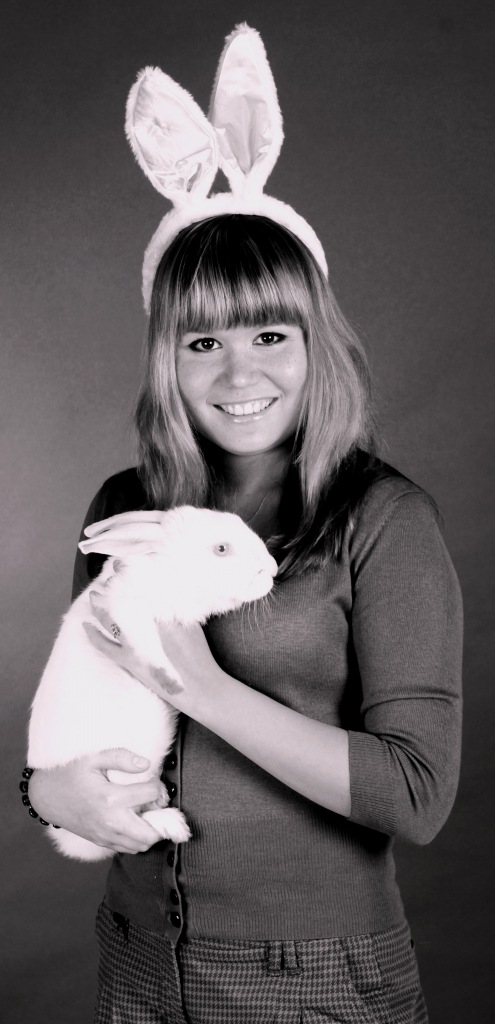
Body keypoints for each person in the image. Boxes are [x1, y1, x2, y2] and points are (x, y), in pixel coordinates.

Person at [26, 25, 463, 1024]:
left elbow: (416, 794)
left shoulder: (383, 521)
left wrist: (202, 688)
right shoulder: (123, 505)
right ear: (166, 357)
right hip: (138, 960)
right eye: (202, 341)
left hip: (306, 976)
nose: (239, 373)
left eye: (270, 333)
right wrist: (48, 795)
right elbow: (76, 704)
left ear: (316, 341)